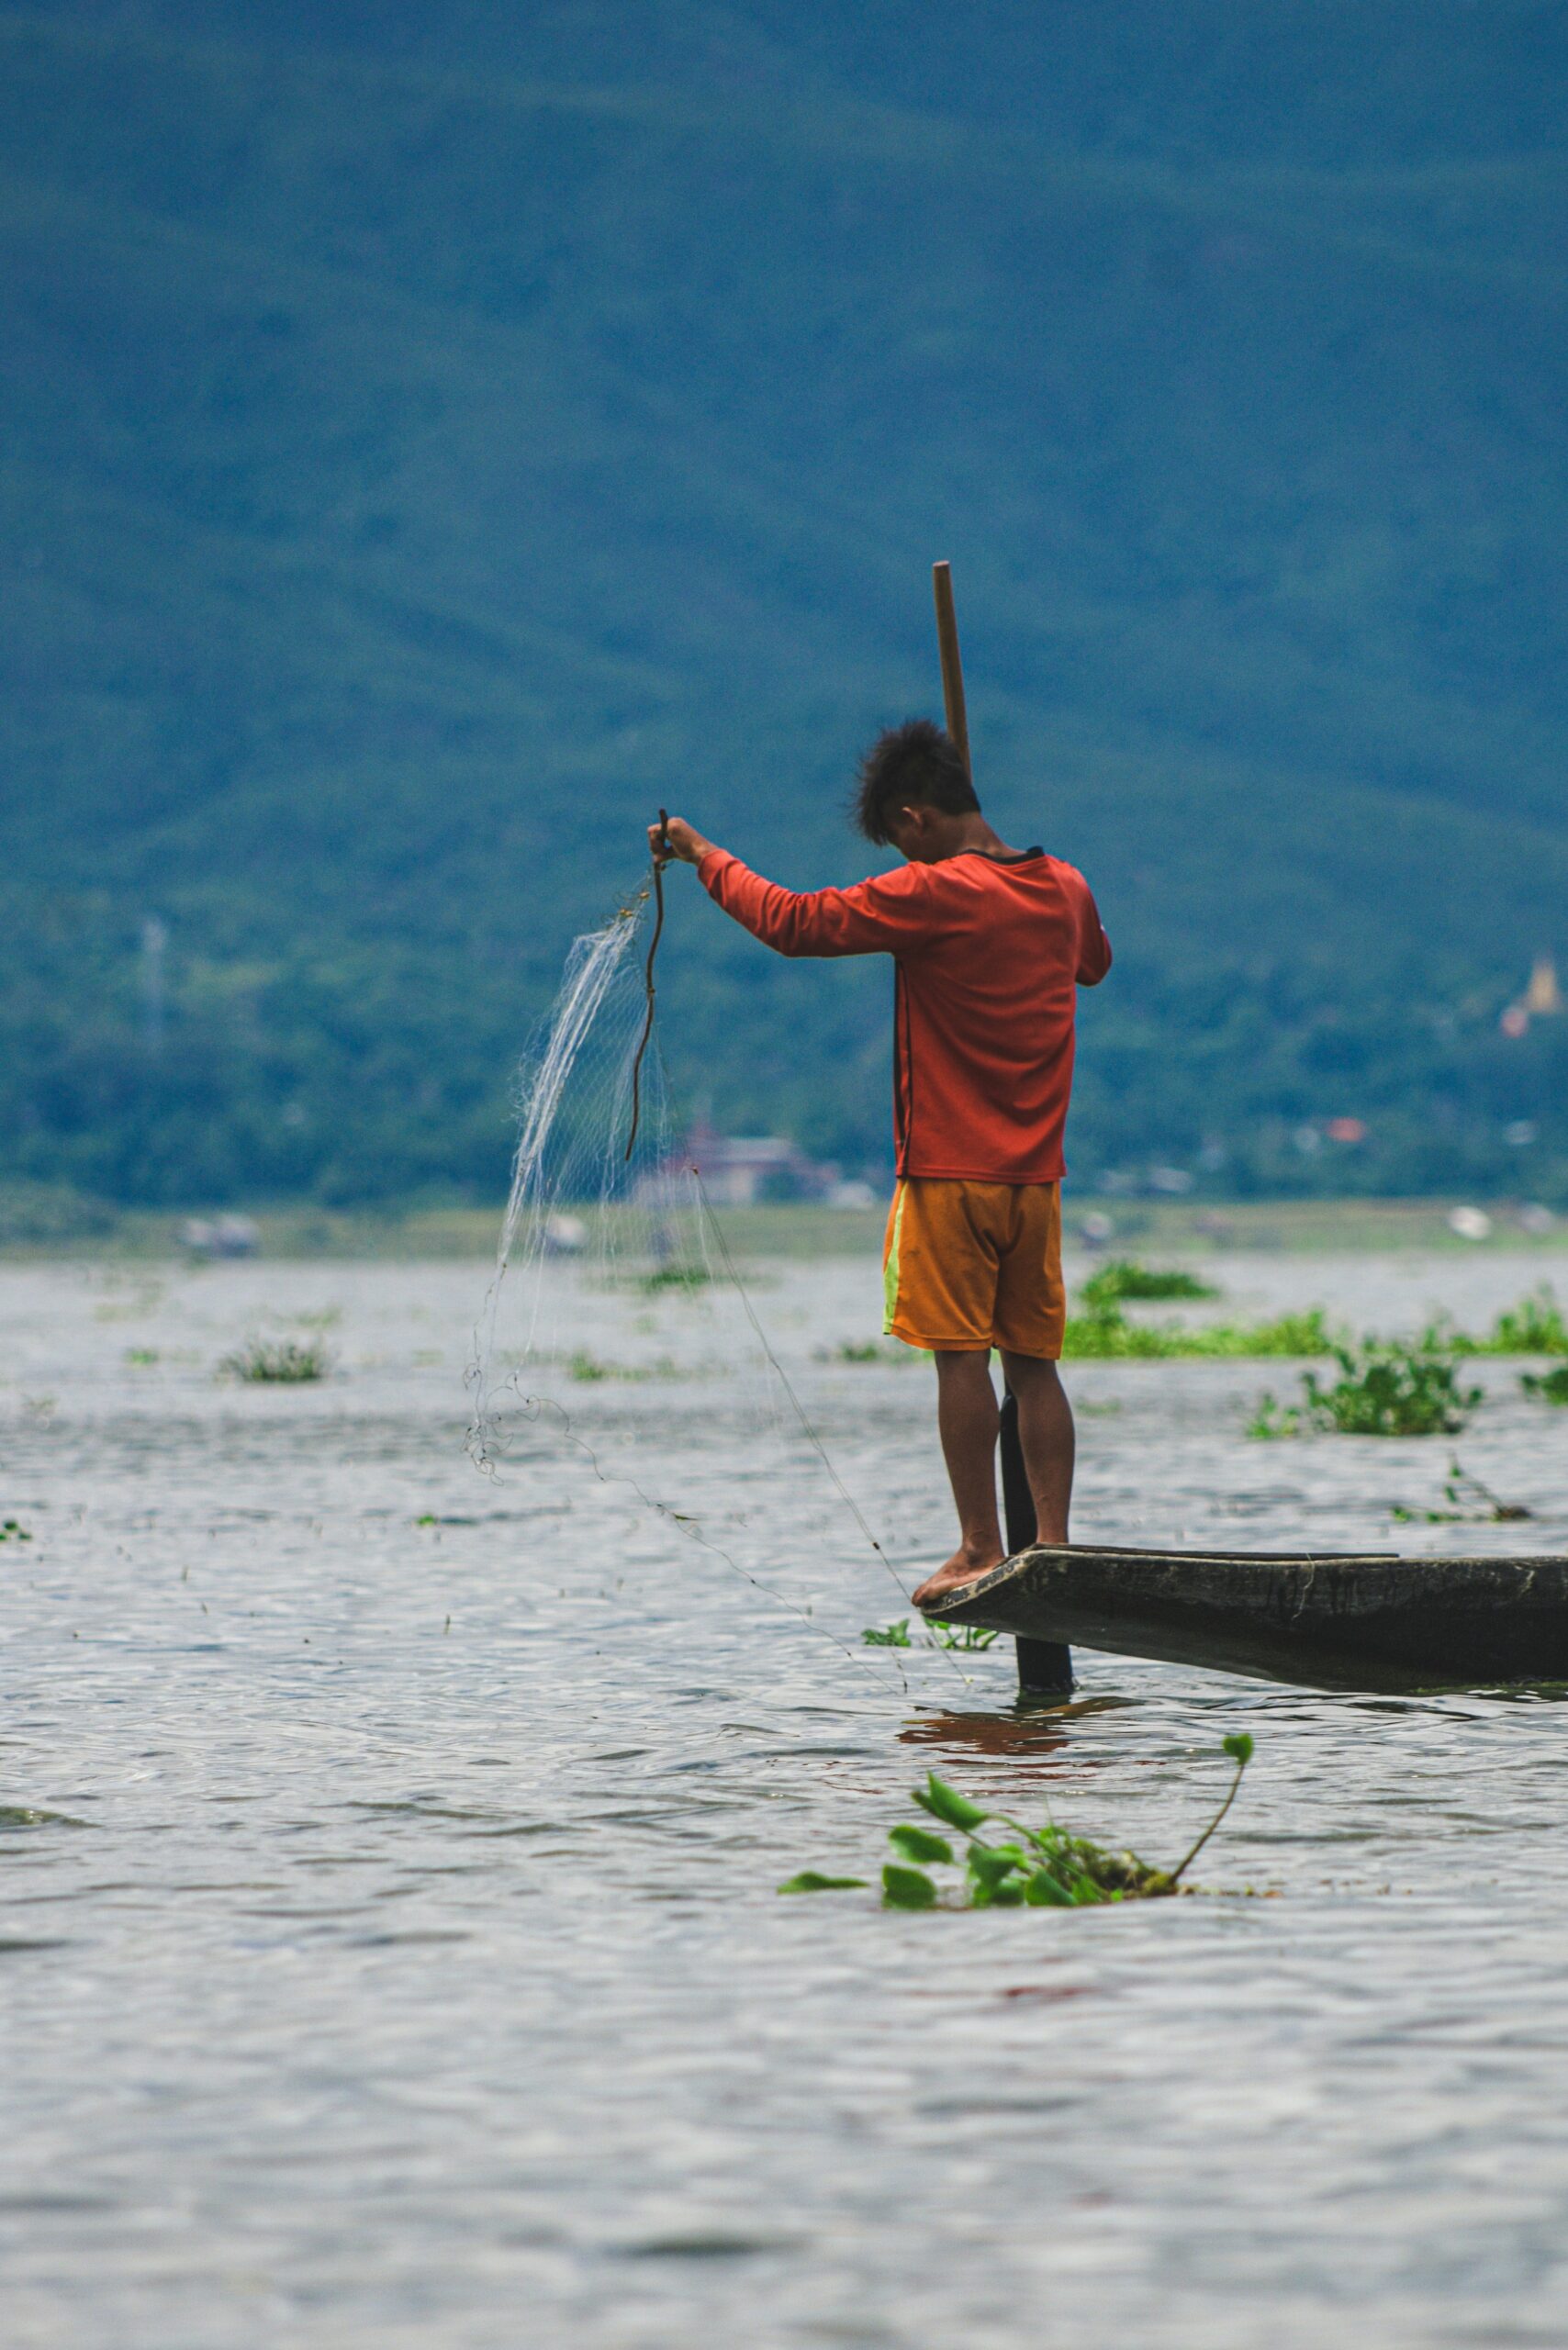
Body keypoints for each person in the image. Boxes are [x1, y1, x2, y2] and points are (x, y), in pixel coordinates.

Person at [650, 719, 1111, 1608]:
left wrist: (700, 851)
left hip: (947, 1171)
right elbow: (1091, 965)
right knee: (1033, 1363)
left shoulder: (934, 893)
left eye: (900, 840)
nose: (901, 856)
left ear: (916, 817)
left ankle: (981, 1544)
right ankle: (1054, 1544)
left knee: (956, 1359)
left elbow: (790, 923)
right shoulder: (1065, 886)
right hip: (1035, 1179)